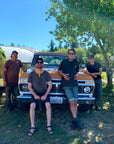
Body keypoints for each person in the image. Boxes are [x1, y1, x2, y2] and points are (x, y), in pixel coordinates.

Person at [58, 49, 83, 130]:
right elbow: (59, 70)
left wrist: (77, 74)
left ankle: (74, 120)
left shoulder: (77, 62)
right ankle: (76, 120)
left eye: (72, 53)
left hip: (75, 84)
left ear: (74, 54)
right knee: (71, 102)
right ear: (68, 54)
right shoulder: (64, 62)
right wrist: (64, 75)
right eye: (70, 53)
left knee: (76, 102)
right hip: (66, 84)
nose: (71, 55)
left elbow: (77, 71)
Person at [28, 58, 53, 136]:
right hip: (35, 93)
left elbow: (50, 85)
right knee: (32, 106)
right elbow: (29, 86)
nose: (39, 64)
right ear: (35, 64)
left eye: (41, 62)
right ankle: (32, 127)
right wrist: (35, 95)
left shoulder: (46, 74)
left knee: (48, 105)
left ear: (43, 64)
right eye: (38, 62)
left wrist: (45, 95)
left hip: (44, 93)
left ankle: (48, 125)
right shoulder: (31, 74)